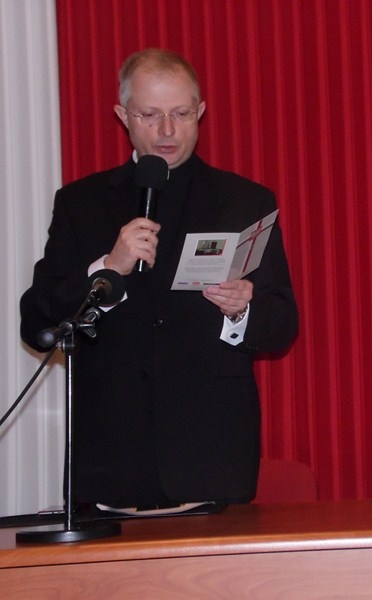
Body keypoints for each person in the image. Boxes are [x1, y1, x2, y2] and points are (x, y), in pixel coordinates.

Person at [20, 48, 298, 509]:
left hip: (211, 462)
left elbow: (283, 324)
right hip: (109, 463)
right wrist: (108, 267)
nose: (167, 130)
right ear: (122, 115)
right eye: (150, 115)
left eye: (181, 114)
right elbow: (36, 322)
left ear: (200, 112)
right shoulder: (81, 203)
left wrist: (243, 310)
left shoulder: (244, 201)